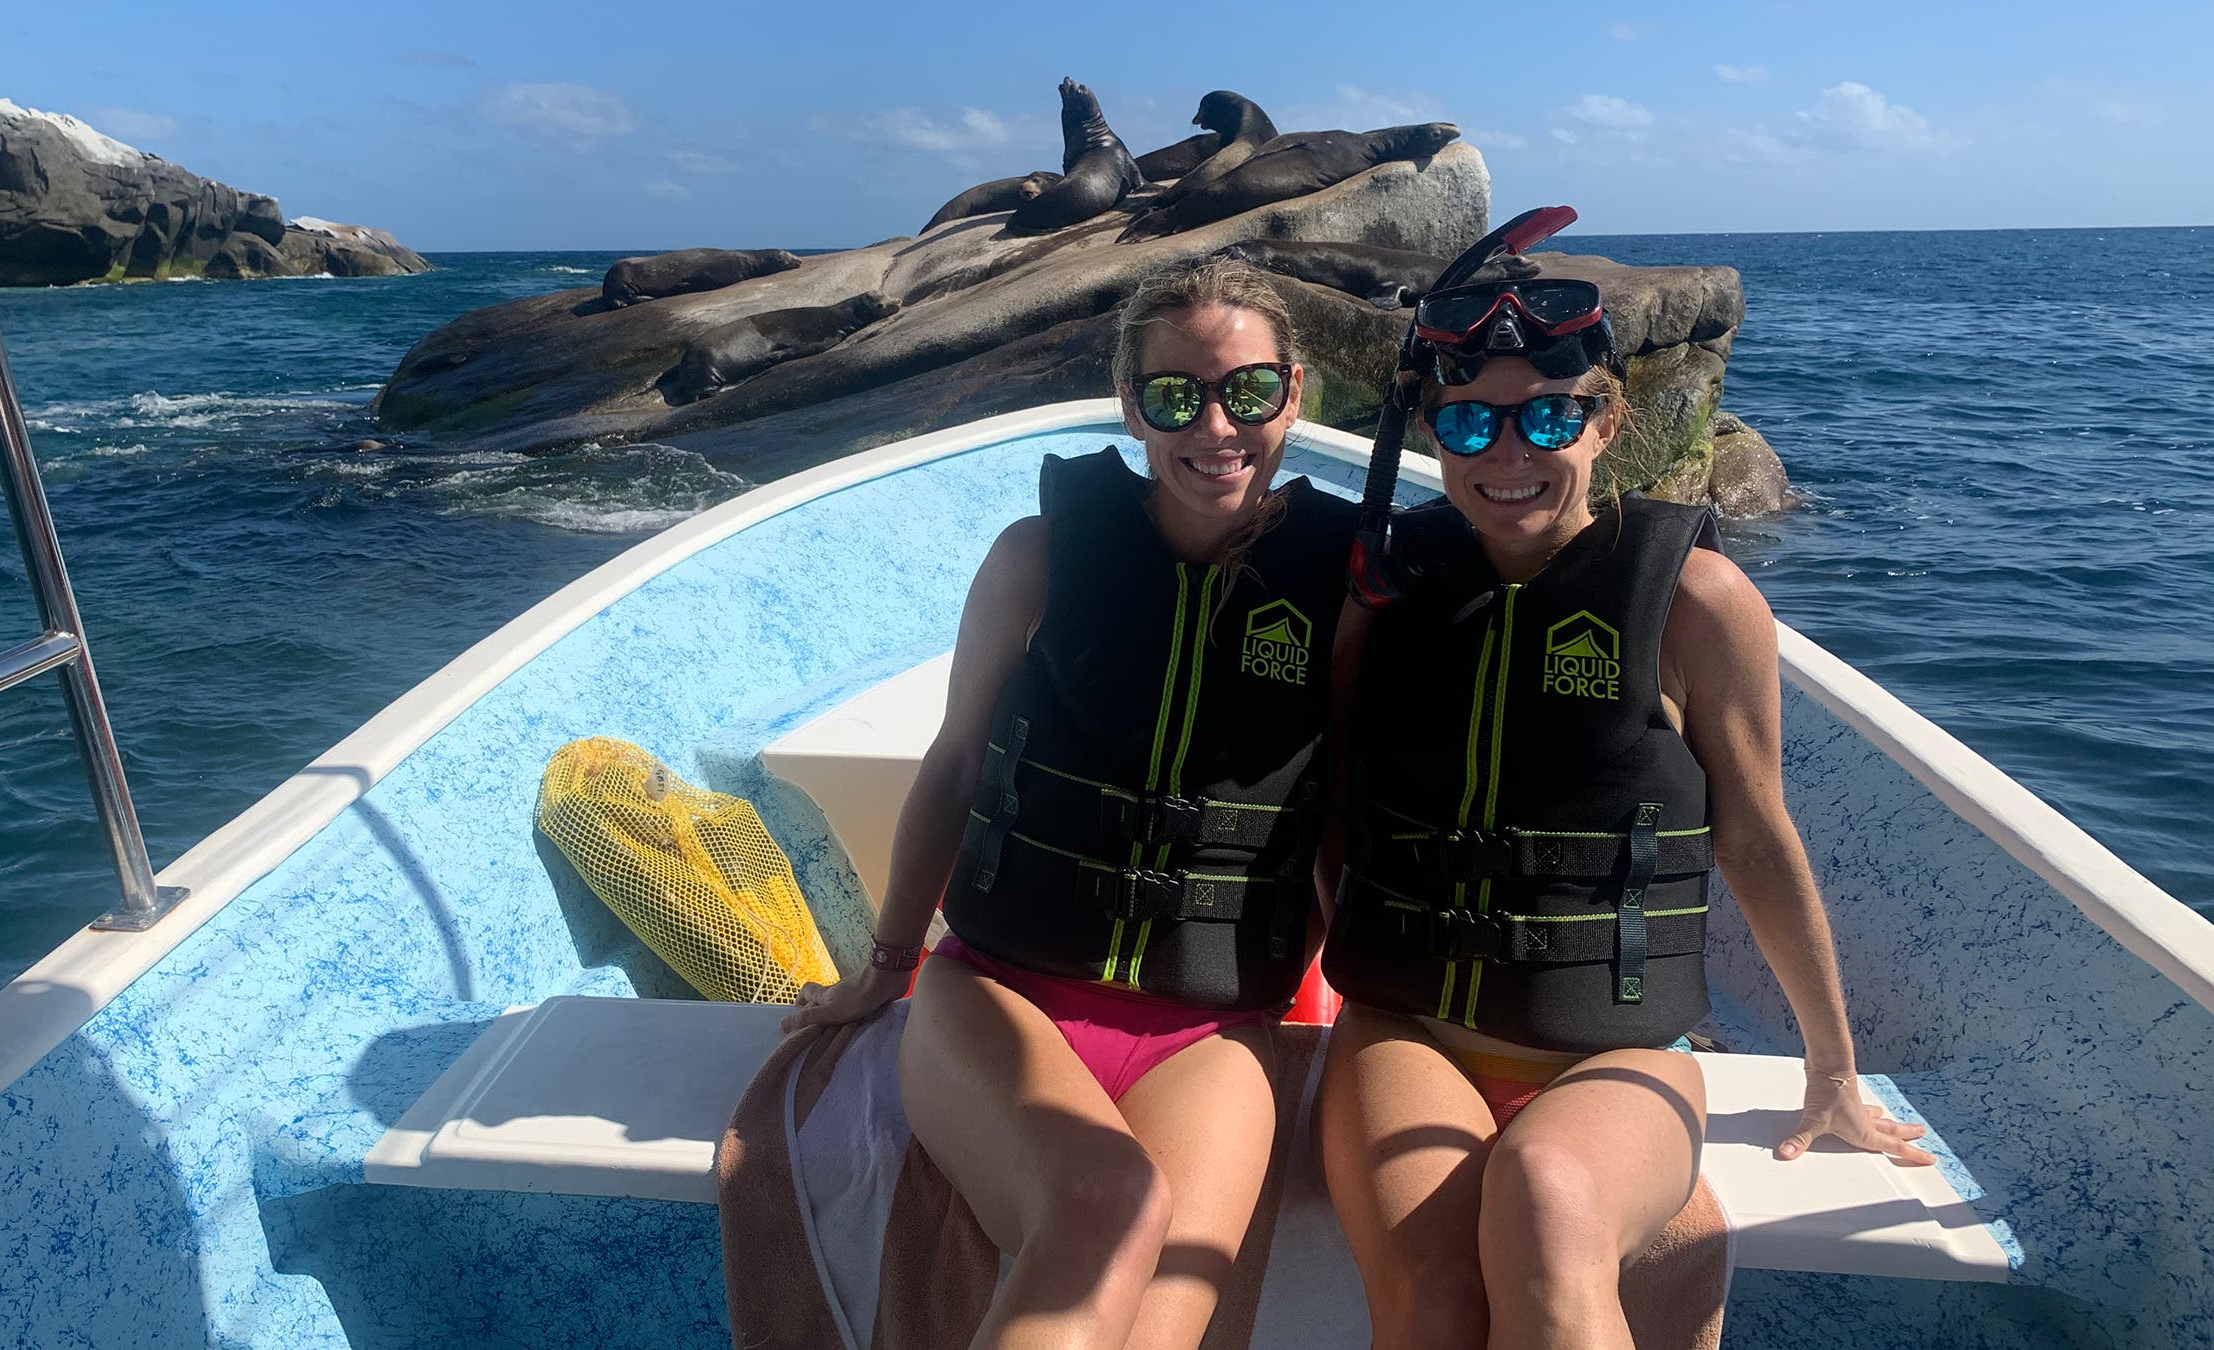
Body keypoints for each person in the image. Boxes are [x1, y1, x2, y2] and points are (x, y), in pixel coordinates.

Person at [1317, 211, 1937, 1350]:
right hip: (1409, 1032)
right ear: (1436, 432)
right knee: (1435, 1300)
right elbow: (1333, 802)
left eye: (1550, 417)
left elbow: (1756, 837)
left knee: (1551, 1203)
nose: (1508, 454)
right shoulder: (1389, 590)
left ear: (1607, 422)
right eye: (1470, 421)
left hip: (1616, 1052)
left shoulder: (1694, 601)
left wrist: (1832, 1068)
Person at [783, 255, 1358, 1350]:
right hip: (1001, 994)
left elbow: (1338, 818)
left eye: (1248, 390)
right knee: (1108, 1208)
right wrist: (887, 965)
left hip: (1212, 1030)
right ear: (1131, 406)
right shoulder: (1038, 557)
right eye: (1175, 396)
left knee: (1164, 1324)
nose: (1215, 426)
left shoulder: (1344, 588)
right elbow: (955, 764)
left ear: (1293, 393)